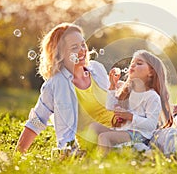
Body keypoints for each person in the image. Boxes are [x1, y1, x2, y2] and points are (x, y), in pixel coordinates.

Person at [15, 22, 114, 155]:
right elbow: (37, 121)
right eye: (74, 47)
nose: (82, 50)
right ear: (59, 53)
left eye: (83, 44)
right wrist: (17, 154)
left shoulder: (96, 68)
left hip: (119, 128)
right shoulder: (56, 84)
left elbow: (115, 100)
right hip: (95, 140)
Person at [88, 50, 172, 154]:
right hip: (124, 131)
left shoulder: (152, 96)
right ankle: (95, 153)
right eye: (132, 63)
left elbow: (151, 125)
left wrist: (130, 117)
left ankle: (103, 164)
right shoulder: (128, 90)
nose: (133, 65)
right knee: (93, 127)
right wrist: (112, 86)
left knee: (104, 137)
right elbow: (110, 107)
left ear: (151, 72)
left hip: (139, 135)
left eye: (139, 63)